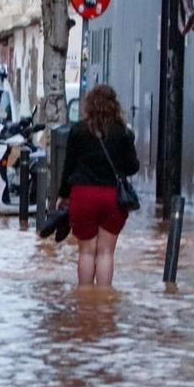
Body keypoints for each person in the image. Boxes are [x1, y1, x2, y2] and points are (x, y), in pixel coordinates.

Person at [59, 84, 141, 287]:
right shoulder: (123, 133)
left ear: (89, 105)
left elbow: (68, 166)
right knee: (106, 252)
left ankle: (85, 297)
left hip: (83, 196)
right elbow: (132, 167)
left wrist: (62, 195)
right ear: (114, 105)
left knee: (86, 251)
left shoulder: (78, 131)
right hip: (113, 198)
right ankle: (103, 299)